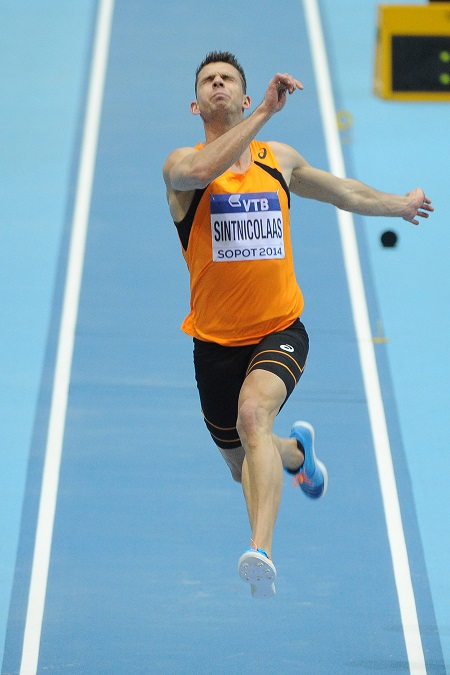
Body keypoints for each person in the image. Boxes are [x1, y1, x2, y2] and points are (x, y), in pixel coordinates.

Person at [162, 51, 433, 599]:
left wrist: (398, 204)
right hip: (214, 343)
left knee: (252, 416)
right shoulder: (179, 169)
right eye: (208, 82)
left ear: (239, 96)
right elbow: (199, 171)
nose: (218, 85)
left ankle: (260, 550)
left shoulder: (277, 160)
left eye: (228, 80)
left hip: (280, 328)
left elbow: (343, 192)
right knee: (244, 467)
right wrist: (263, 111)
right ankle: (299, 454)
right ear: (196, 104)